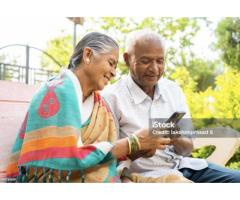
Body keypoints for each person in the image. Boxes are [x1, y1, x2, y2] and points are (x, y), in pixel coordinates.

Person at [6, 32, 174, 183]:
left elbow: (101, 157)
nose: (114, 72)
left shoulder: (99, 104)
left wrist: (139, 149)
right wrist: (133, 143)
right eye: (111, 63)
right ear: (88, 55)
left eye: (160, 61)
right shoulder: (56, 92)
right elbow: (63, 159)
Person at [102, 30, 240, 183]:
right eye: (145, 61)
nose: (154, 69)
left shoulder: (173, 90)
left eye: (160, 61)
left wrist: (176, 137)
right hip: (145, 177)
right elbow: (106, 157)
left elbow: (187, 149)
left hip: (183, 167)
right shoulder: (111, 97)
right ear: (127, 59)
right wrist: (141, 146)